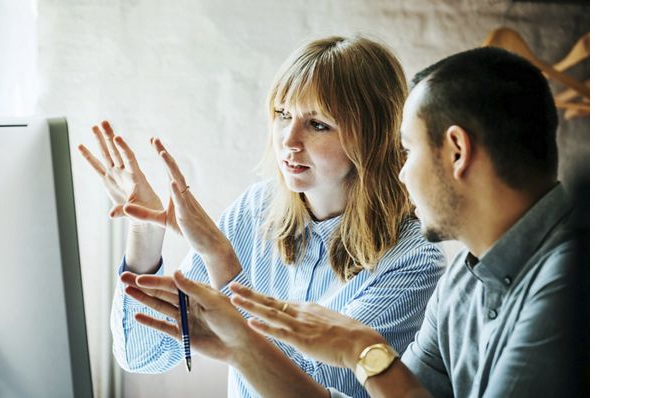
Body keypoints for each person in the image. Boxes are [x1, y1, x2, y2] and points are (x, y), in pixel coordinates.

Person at [126, 46, 583, 398]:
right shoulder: (464, 282)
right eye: (282, 116)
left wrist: (358, 351)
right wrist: (242, 347)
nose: (402, 171)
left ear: (457, 152)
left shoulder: (572, 282)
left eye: (409, 150)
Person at [78, 35, 445, 398]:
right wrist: (145, 229)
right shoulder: (255, 210)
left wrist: (222, 261)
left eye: (318, 124)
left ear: (372, 136)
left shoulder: (413, 259)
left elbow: (313, 387)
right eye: (283, 115)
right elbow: (143, 355)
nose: (288, 140)